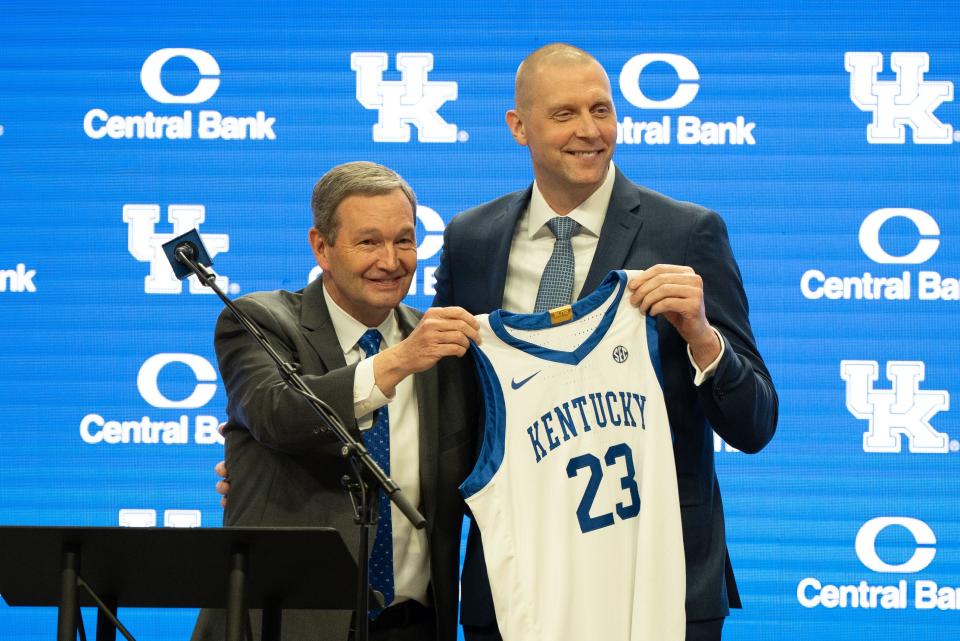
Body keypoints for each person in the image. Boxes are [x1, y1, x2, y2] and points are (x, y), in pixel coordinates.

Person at [432, 43, 778, 641]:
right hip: (517, 580)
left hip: (658, 580)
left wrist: (701, 336)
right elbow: (445, 405)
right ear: (519, 127)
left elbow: (756, 424)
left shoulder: (687, 232)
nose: (590, 131)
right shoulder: (471, 239)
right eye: (565, 114)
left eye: (601, 110)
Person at [193, 161, 480, 641]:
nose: (390, 261)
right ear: (321, 247)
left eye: (404, 240)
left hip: (414, 626)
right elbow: (277, 415)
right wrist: (398, 361)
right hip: (282, 625)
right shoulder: (259, 322)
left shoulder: (445, 349)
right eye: (368, 242)